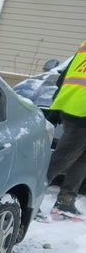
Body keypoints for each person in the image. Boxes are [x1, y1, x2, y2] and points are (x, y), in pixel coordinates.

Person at [45, 40, 86, 218]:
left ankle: (66, 201)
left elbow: (64, 76)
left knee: (82, 159)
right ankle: (32, 198)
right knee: (61, 159)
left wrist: (57, 104)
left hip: (72, 105)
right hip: (81, 112)